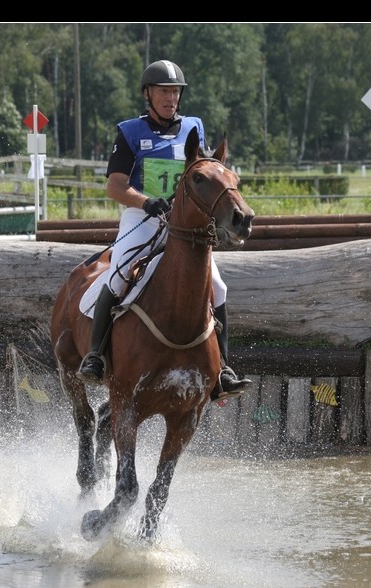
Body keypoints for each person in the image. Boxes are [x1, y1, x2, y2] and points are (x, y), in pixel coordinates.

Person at [77, 59, 251, 401]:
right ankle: (96, 355)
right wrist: (146, 202)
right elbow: (115, 187)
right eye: (163, 92)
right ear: (148, 95)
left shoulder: (193, 128)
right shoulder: (130, 132)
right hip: (143, 217)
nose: (170, 98)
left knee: (218, 285)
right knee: (119, 273)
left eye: (174, 92)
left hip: (185, 224)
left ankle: (224, 369)